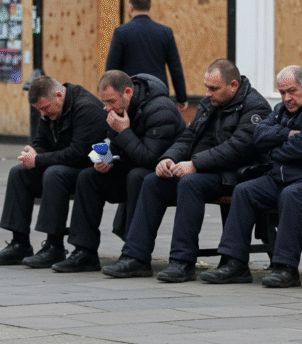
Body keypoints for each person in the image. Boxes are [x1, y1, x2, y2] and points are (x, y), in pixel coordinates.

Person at [96, 60, 271, 280]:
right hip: (207, 169)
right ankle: (135, 257)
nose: (207, 93)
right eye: (206, 87)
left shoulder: (255, 107)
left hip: (238, 173)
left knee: (190, 183)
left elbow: (237, 149)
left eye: (214, 88)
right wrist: (168, 158)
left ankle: (182, 261)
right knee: (153, 182)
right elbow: (188, 137)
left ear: (233, 85)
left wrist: (195, 164)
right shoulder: (211, 103)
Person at [200, 65, 302, 288]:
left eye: (292, 91)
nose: (287, 98)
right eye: (282, 92)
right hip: (282, 177)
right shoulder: (280, 109)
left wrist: (274, 149)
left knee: (292, 195)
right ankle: (234, 263)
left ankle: (286, 268)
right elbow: (258, 136)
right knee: (244, 191)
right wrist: (286, 134)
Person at [46, 70, 185, 272]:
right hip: (135, 169)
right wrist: (105, 159)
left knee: (137, 176)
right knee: (88, 177)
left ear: (128, 92)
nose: (108, 108)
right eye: (105, 102)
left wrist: (124, 131)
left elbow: (150, 158)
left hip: (167, 175)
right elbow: (113, 145)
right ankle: (84, 252)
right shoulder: (117, 110)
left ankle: (135, 255)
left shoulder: (160, 109)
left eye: (111, 101)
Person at [0, 76, 107, 267]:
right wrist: (32, 153)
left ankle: (54, 246)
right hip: (63, 165)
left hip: (89, 169)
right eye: (39, 110)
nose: (43, 113)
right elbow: (41, 141)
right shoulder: (50, 111)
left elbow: (78, 154)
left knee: (54, 174)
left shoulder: (86, 108)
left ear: (59, 95)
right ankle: (19, 244)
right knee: (19, 173)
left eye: (45, 108)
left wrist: (38, 160)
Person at [105, 0, 188, 112]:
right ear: (149, 7)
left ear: (131, 7)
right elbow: (175, 68)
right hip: (158, 95)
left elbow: (111, 69)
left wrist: (110, 99)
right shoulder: (165, 32)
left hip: (130, 96)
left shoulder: (121, 32)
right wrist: (181, 97)